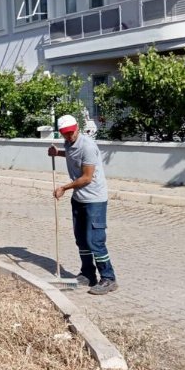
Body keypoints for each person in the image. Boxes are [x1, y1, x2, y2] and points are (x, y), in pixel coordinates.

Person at [48, 114, 118, 295]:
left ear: (77, 128)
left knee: (95, 240)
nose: (68, 136)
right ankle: (88, 274)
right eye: (65, 134)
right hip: (79, 198)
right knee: (81, 239)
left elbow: (87, 177)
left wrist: (64, 187)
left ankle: (109, 278)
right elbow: (72, 155)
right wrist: (58, 153)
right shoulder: (69, 143)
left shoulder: (87, 146)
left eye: (71, 132)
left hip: (94, 199)